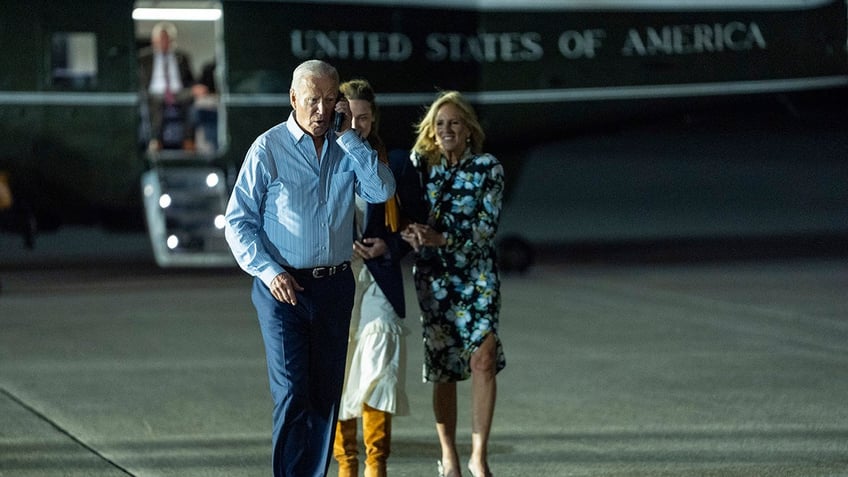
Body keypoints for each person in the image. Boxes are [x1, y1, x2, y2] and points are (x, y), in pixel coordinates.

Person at [224, 59, 396, 477]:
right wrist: (268, 271)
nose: (320, 110)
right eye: (312, 100)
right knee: (292, 393)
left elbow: (381, 190)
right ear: (294, 98)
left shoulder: (347, 147)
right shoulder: (268, 148)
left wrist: (351, 140)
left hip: (335, 286)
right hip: (283, 288)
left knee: (325, 397)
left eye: (329, 100)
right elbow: (238, 220)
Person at [400, 91, 505, 477]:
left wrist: (441, 239)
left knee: (483, 358)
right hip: (435, 278)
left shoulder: (487, 167)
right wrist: (407, 233)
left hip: (477, 275)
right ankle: (449, 456)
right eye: (439, 124)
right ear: (431, 130)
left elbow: (486, 228)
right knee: (444, 368)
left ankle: (479, 456)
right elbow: (401, 210)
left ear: (468, 129)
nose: (446, 130)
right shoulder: (419, 165)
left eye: (454, 123)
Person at [332, 79, 424, 477]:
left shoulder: (396, 162)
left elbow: (418, 217)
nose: (356, 125)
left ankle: (376, 466)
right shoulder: (326, 159)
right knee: (340, 369)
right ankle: (347, 465)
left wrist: (391, 246)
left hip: (380, 278)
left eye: (364, 117)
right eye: (349, 117)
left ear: (375, 118)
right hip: (337, 275)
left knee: (379, 367)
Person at [137, 21, 195, 151]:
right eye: (161, 39)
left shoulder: (182, 57)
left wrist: (193, 90)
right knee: (154, 104)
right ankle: (155, 141)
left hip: (179, 93)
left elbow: (191, 80)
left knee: (192, 103)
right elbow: (139, 83)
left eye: (167, 39)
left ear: (172, 40)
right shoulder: (143, 58)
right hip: (153, 94)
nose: (164, 42)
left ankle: (188, 141)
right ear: (154, 40)